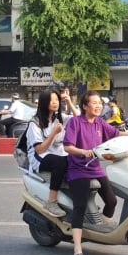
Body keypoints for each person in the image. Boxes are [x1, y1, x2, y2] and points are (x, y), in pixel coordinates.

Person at [63, 90, 128, 255]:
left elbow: (116, 134)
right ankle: (77, 249)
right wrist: (83, 152)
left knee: (112, 201)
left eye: (100, 103)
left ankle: (98, 228)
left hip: (96, 169)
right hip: (78, 170)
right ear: (85, 106)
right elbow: (68, 147)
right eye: (94, 103)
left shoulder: (100, 123)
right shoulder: (75, 122)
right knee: (80, 206)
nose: (98, 105)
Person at [27, 88, 79, 217]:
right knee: (60, 163)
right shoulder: (35, 123)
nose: (54, 103)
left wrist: (70, 103)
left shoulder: (59, 118)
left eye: (56, 100)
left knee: (77, 160)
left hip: (58, 153)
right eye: (51, 100)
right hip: (40, 156)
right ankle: (51, 201)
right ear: (44, 103)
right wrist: (53, 133)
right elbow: (39, 149)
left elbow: (79, 119)